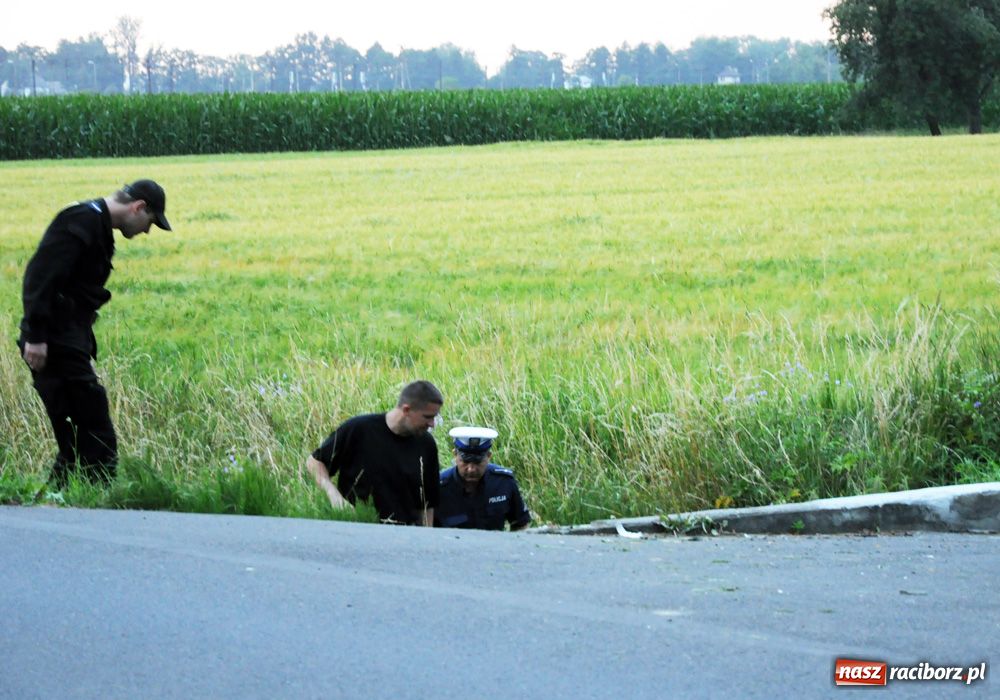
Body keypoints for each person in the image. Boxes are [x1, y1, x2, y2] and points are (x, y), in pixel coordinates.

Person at [18, 179, 172, 487]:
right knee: (94, 427)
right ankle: (99, 501)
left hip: (66, 339)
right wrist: (36, 337)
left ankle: (64, 499)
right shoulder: (81, 220)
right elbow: (40, 277)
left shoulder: (95, 223)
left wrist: (81, 346)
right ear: (138, 207)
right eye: (150, 222)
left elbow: (75, 291)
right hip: (54, 340)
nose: (146, 231)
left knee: (75, 434)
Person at [306, 380, 443, 525]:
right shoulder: (359, 429)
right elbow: (314, 461)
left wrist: (426, 539)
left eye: (434, 417)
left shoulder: (426, 444)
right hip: (356, 528)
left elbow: (428, 504)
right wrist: (333, 494)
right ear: (407, 410)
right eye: (428, 417)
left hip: (403, 538)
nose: (432, 424)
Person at [435, 426, 531, 531]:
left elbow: (520, 524)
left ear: (489, 456)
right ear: (455, 455)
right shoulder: (439, 487)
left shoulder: (503, 483)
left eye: (477, 462)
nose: (471, 469)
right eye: (465, 462)